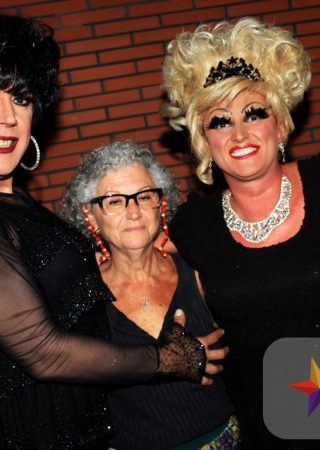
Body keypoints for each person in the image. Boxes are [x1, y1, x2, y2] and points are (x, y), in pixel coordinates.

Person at [0, 13, 224, 450]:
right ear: (90, 213)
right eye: (114, 202)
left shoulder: (21, 205)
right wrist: (167, 359)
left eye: (21, 99)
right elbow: (44, 352)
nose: (7, 117)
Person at [161, 17, 320, 449]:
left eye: (254, 113)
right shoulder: (192, 227)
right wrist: (171, 350)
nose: (239, 133)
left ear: (279, 125)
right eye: (220, 121)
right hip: (268, 432)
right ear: (204, 140)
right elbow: (134, 281)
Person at [60, 140, 238, 450]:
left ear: (161, 204)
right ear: (91, 215)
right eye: (114, 201)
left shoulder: (197, 269)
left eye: (144, 197)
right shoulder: (80, 295)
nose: (133, 212)